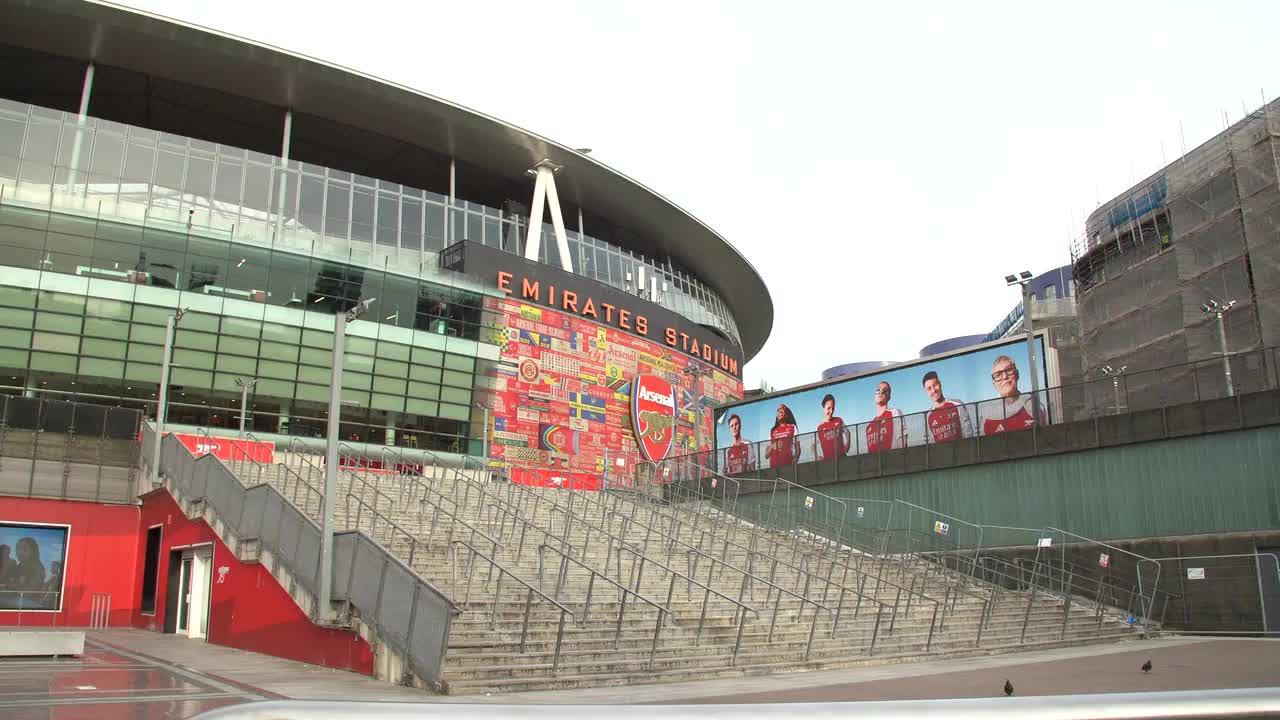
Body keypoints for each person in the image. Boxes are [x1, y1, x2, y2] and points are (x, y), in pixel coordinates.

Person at [977, 355, 1046, 435]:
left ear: (1017, 374)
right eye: (998, 375)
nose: (1005, 377)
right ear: (994, 384)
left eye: (1009, 370)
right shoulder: (988, 417)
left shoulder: (1034, 406)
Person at [923, 371, 974, 443]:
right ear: (926, 392)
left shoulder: (957, 404)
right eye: (929, 388)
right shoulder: (929, 416)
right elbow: (932, 442)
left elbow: (968, 433)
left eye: (935, 385)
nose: (933, 390)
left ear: (940, 384)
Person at [865, 381, 906, 452]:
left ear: (888, 397)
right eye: (878, 390)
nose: (880, 392)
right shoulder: (869, 426)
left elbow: (903, 441)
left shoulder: (894, 413)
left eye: (884, 391)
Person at [816, 393, 851, 460]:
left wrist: (848, 444)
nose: (831, 411)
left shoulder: (839, 420)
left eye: (833, 408)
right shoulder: (820, 427)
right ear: (823, 408)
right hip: (828, 462)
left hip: (842, 458)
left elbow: (847, 432)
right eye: (829, 408)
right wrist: (817, 456)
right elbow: (813, 445)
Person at [765, 404, 800, 469]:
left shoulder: (792, 427)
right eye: (778, 411)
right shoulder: (772, 430)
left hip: (788, 464)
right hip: (774, 466)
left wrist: (796, 458)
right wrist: (772, 446)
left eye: (782, 411)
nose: (780, 412)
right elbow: (766, 455)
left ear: (787, 415)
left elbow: (797, 446)